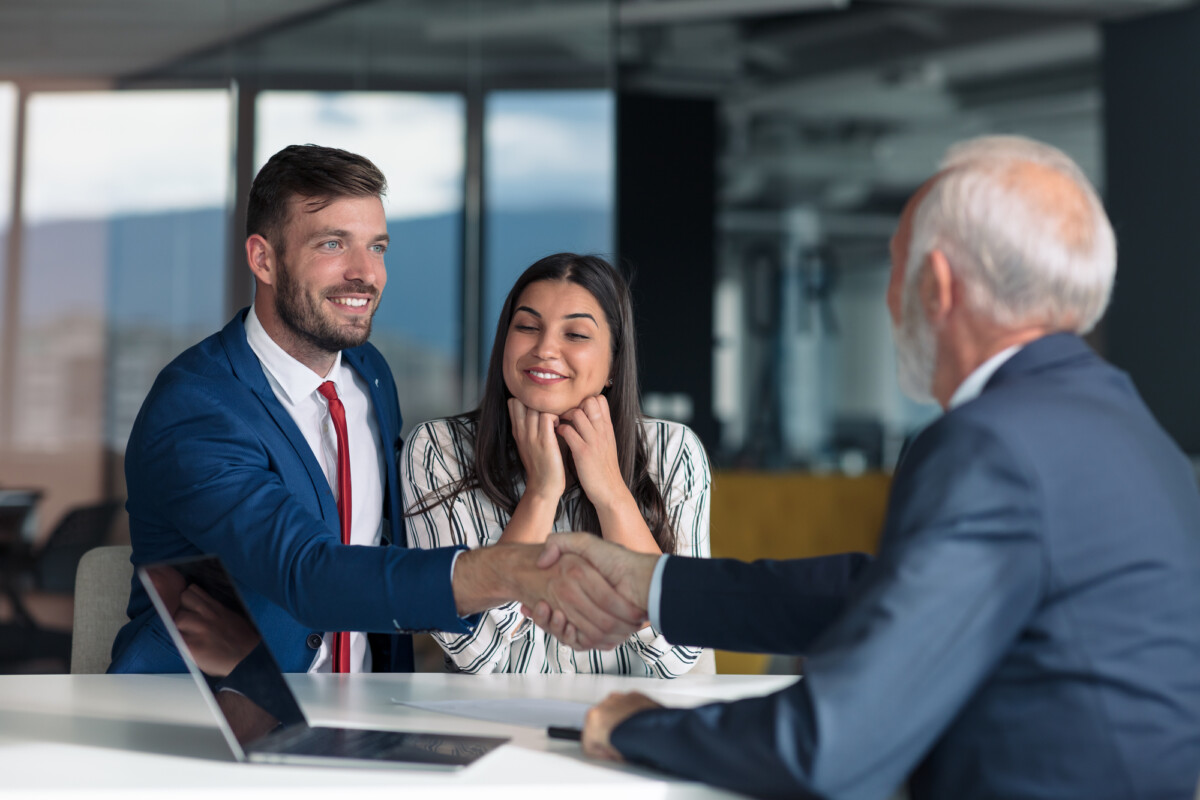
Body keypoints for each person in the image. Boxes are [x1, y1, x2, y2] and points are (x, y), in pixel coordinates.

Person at [529, 136, 1200, 799]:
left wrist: (641, 726)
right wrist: (654, 584)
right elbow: (885, 597)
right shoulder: (1131, 431)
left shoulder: (992, 447)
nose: (887, 301)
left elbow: (827, 744)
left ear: (935, 286)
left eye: (895, 268)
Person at [109, 144, 641, 676]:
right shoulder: (196, 407)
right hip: (210, 719)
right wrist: (510, 569)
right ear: (263, 259)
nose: (365, 273)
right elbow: (306, 574)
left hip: (363, 708)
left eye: (378, 247)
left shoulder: (370, 374)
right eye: (333, 244)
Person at [401, 253, 711, 676]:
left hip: (627, 728)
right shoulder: (437, 449)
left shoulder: (672, 451)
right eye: (527, 327)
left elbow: (680, 653)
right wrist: (542, 492)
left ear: (614, 365)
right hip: (491, 731)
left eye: (577, 334)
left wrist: (612, 493)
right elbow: (476, 652)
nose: (545, 349)